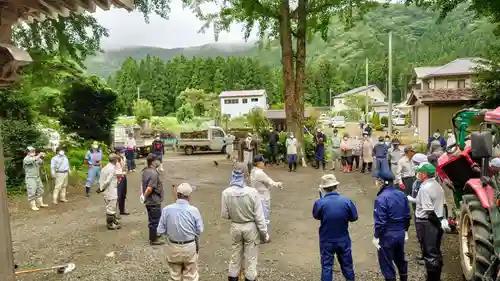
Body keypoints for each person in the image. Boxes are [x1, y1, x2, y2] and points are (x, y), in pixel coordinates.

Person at [222, 162, 269, 281]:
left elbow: (225, 215)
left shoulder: (226, 192)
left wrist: (236, 215)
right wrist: (264, 234)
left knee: (235, 257)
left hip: (235, 227)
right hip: (250, 227)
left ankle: (233, 278)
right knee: (251, 259)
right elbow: (259, 217)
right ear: (246, 176)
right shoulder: (252, 192)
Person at [313, 174, 358, 281]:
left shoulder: (319, 203)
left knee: (327, 267)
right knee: (347, 266)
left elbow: (316, 216)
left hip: (326, 239)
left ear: (324, 188)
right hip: (343, 238)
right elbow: (354, 217)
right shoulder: (346, 201)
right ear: (336, 186)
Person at [157, 183, 204, 281]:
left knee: (174, 275)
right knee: (190, 275)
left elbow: (160, 230)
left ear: (177, 194)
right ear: (189, 196)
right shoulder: (194, 210)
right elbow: (200, 229)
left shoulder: (166, 210)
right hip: (189, 246)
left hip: (173, 246)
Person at [412, 163, 449, 280]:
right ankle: (435, 274)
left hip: (426, 223)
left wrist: (438, 224)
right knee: (435, 249)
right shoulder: (437, 185)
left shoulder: (424, 188)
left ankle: (433, 278)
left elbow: (428, 210)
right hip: (436, 220)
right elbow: (443, 205)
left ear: (424, 174)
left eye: (419, 172)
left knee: (429, 253)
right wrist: (443, 221)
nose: (418, 174)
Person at [372, 169, 411, 281]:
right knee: (400, 259)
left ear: (382, 182)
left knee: (387, 263)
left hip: (387, 235)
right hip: (400, 233)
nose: (376, 182)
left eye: (377, 180)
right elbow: (407, 215)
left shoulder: (381, 198)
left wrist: (376, 236)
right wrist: (405, 230)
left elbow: (381, 222)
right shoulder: (401, 195)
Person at [250, 155, 283, 237]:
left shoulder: (253, 171)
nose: (264, 163)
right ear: (258, 163)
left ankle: (258, 233)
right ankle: (264, 236)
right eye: (263, 161)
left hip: (256, 196)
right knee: (264, 216)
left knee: (258, 215)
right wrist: (278, 184)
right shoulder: (259, 173)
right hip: (263, 197)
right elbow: (269, 181)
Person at [407, 153, 428, 265]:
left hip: (425, 213)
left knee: (426, 235)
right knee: (420, 235)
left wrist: (413, 199)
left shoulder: (426, 179)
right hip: (418, 211)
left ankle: (427, 258)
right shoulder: (418, 177)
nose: (413, 165)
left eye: (415, 163)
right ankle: (424, 254)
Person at [142, 153, 165, 245]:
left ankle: (155, 235)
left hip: (150, 200)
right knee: (154, 220)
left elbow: (143, 185)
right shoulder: (153, 173)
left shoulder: (145, 171)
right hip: (153, 200)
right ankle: (153, 239)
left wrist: (143, 196)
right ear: (153, 162)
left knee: (153, 219)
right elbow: (150, 188)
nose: (159, 161)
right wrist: (144, 196)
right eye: (157, 160)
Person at [96, 153, 122, 230]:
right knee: (111, 208)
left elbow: (101, 179)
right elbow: (107, 181)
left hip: (107, 191)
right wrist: (101, 188)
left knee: (109, 206)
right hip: (111, 191)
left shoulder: (105, 168)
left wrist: (101, 188)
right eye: (117, 159)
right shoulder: (112, 169)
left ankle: (113, 221)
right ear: (115, 160)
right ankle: (110, 224)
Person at [23, 146, 47, 211]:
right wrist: (39, 155)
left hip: (37, 177)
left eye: (33, 150)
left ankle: (40, 203)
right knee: (32, 191)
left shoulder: (35, 157)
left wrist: (43, 157)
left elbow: (41, 162)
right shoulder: (26, 159)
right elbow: (34, 159)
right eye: (31, 151)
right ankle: (33, 206)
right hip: (30, 178)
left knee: (40, 190)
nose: (33, 152)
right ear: (27, 152)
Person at [115, 150, 129, 216]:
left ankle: (122, 210)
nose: (122, 154)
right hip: (118, 179)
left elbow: (125, 167)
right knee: (118, 196)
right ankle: (114, 214)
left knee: (123, 194)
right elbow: (114, 171)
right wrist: (121, 172)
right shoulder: (114, 160)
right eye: (121, 152)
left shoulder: (123, 158)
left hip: (123, 177)